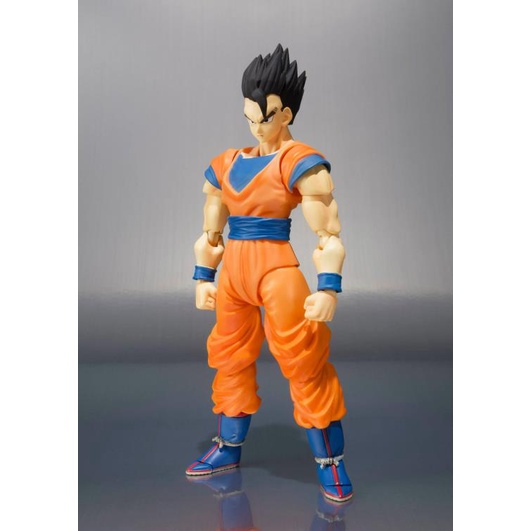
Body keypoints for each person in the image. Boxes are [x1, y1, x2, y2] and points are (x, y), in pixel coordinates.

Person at [186, 44, 353, 503]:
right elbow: (211, 231)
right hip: (234, 274)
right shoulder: (226, 163)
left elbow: (328, 233)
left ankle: (331, 463)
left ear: (286, 114)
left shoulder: (299, 161)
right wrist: (204, 277)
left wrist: (328, 288)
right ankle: (227, 446)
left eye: (267, 116)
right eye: (250, 117)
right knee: (230, 357)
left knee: (303, 360)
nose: (258, 126)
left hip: (277, 270)